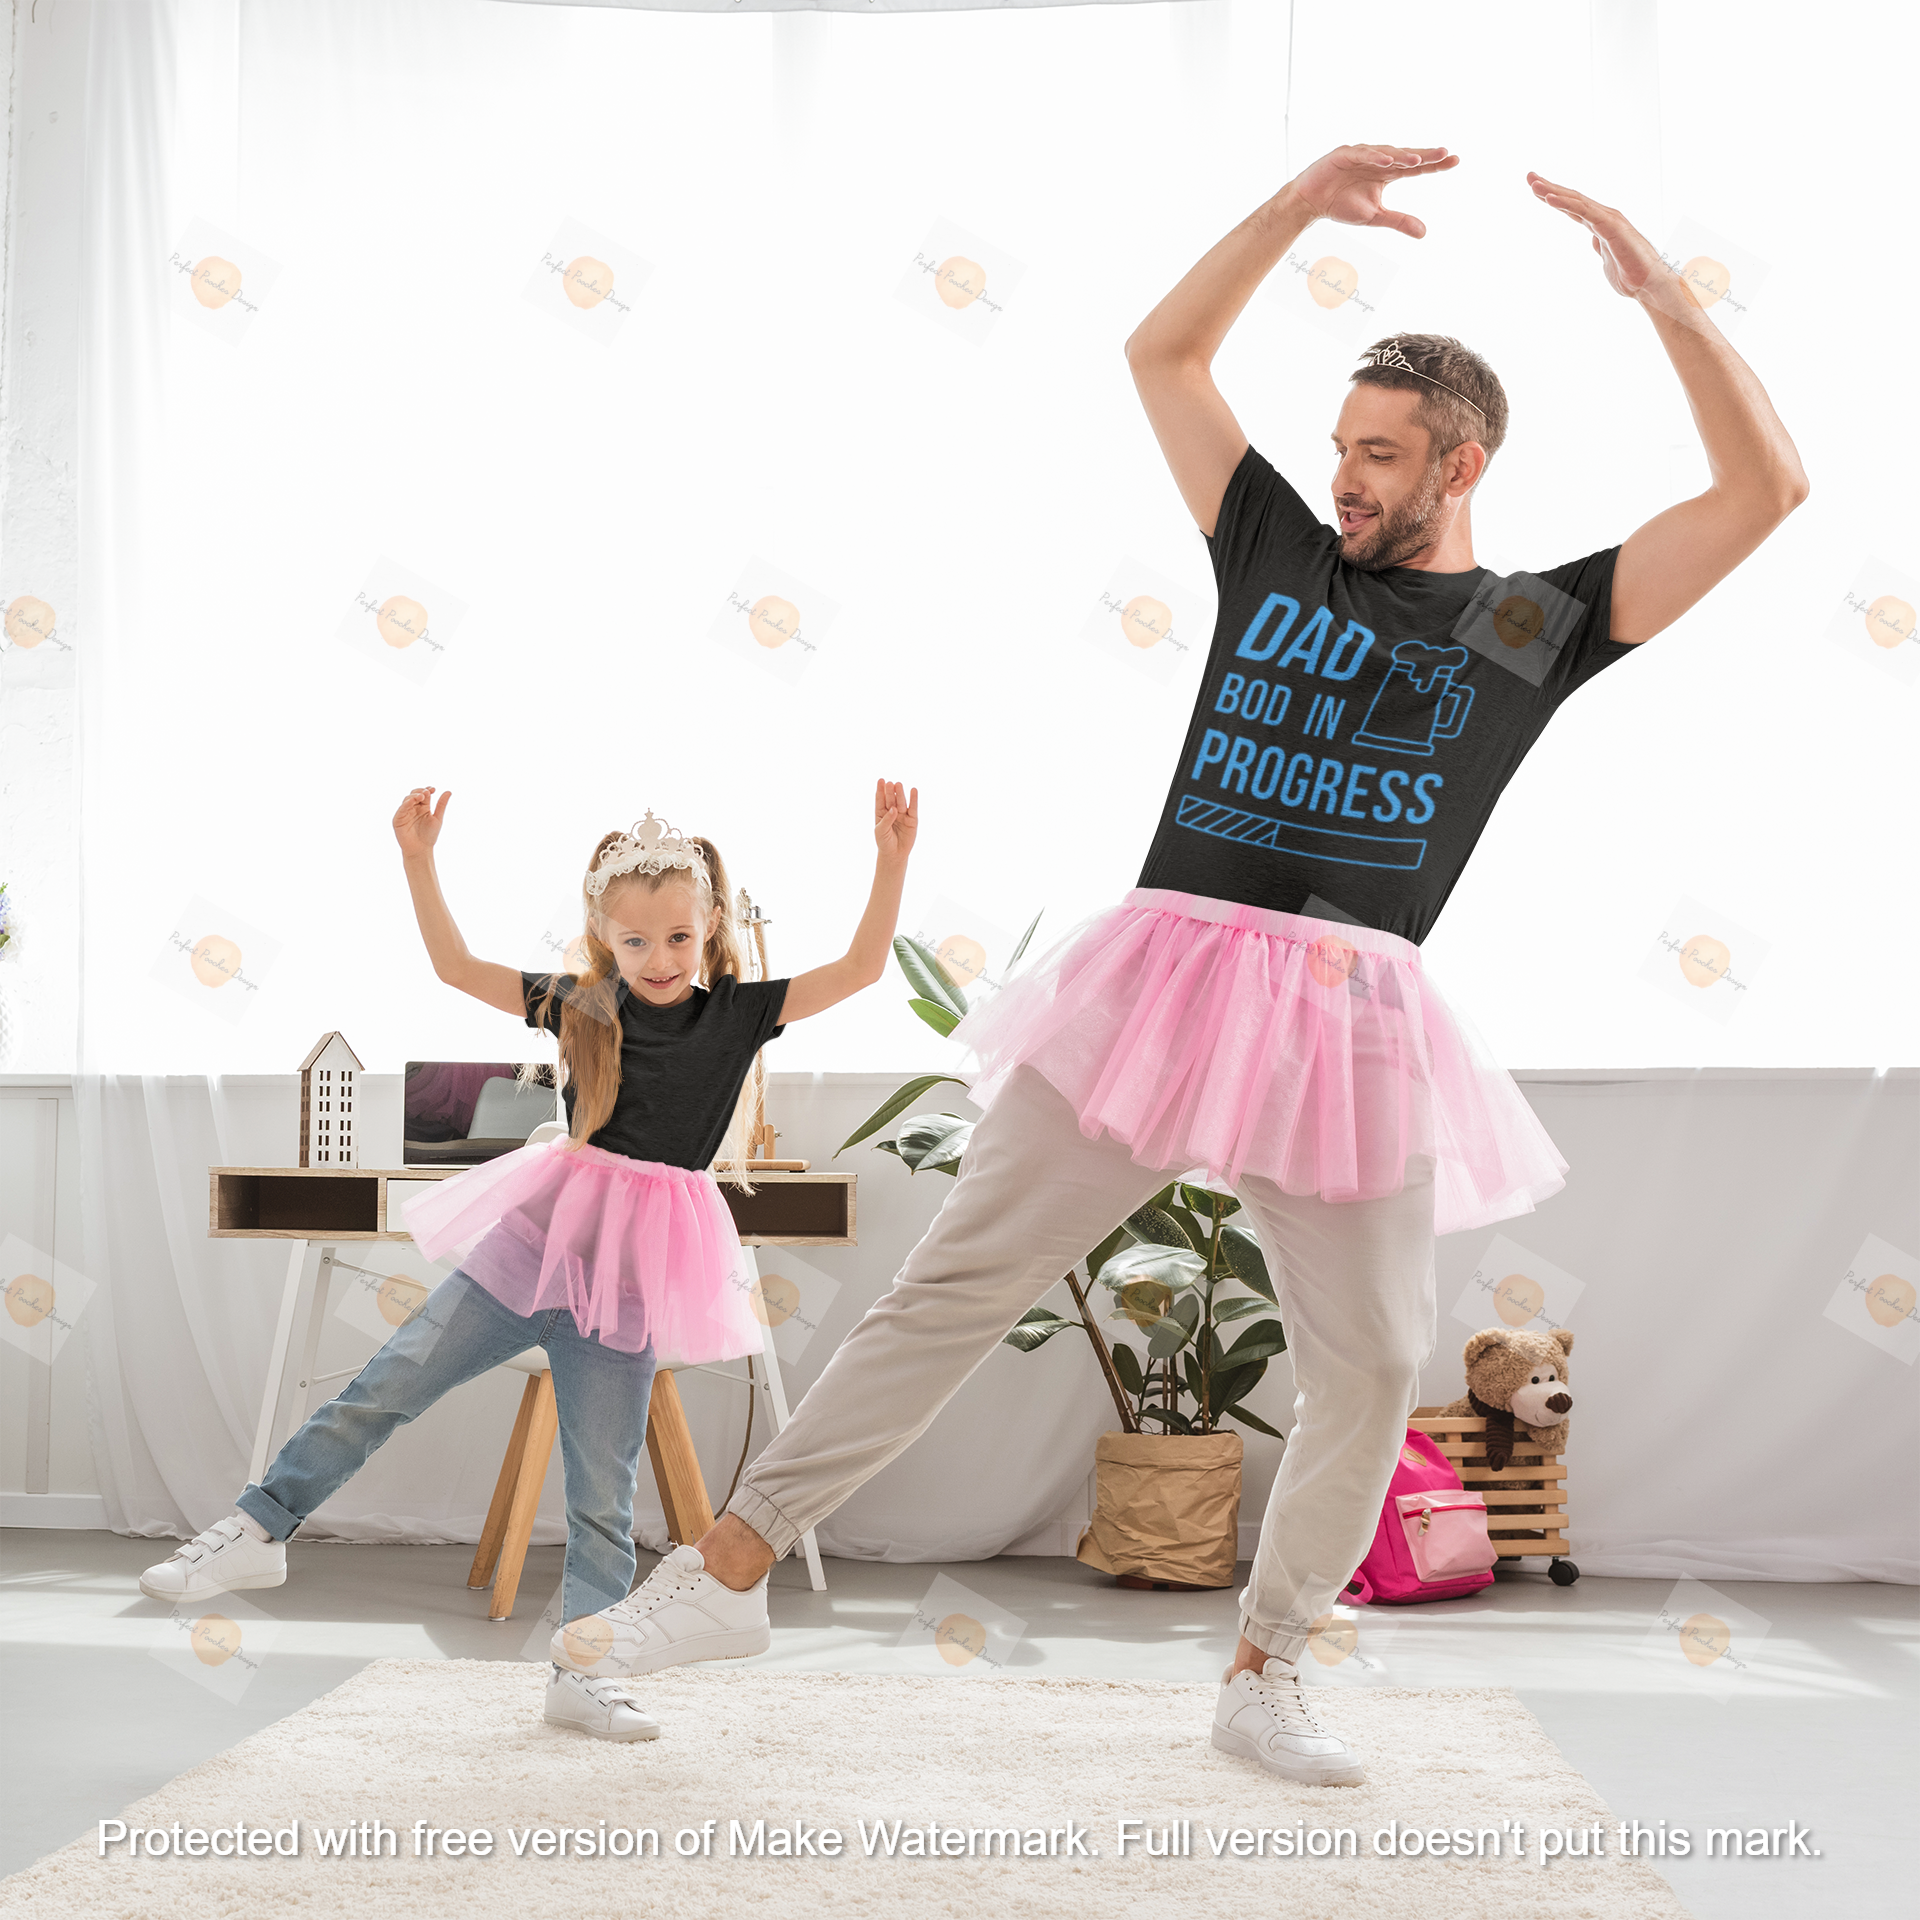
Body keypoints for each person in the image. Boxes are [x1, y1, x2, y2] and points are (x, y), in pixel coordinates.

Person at [548, 142, 1808, 1785]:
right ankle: (717, 1582)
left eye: (1379, 454)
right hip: (1160, 981)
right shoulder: (1277, 550)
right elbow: (1162, 355)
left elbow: (1767, 493)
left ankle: (1270, 1667)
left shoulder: (1526, 627)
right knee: (955, 1285)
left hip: (1349, 1012)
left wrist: (1670, 304)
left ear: (1463, 460)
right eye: (1338, 445)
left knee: (1364, 1356)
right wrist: (1293, 207)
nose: (1345, 475)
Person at [138, 778, 920, 1743]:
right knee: (387, 1383)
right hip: (537, 1247)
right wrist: (419, 863)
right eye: (636, 942)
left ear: (711, 926)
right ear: (603, 936)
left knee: (605, 1490)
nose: (660, 958)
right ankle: (258, 1528)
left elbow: (862, 969)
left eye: (679, 938)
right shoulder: (583, 1007)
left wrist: (889, 863)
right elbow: (457, 966)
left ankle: (581, 1672)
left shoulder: (740, 1015)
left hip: (633, 1278)